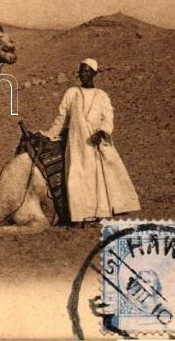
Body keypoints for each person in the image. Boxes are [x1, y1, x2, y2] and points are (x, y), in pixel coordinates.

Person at [41, 58, 140, 226]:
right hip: (76, 144)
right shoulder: (71, 93)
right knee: (75, 177)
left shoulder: (102, 96)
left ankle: (95, 215)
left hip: (94, 145)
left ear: (94, 74)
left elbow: (108, 119)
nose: (83, 74)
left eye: (87, 71)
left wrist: (102, 132)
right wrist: (49, 134)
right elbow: (61, 118)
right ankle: (78, 217)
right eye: (81, 71)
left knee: (95, 180)